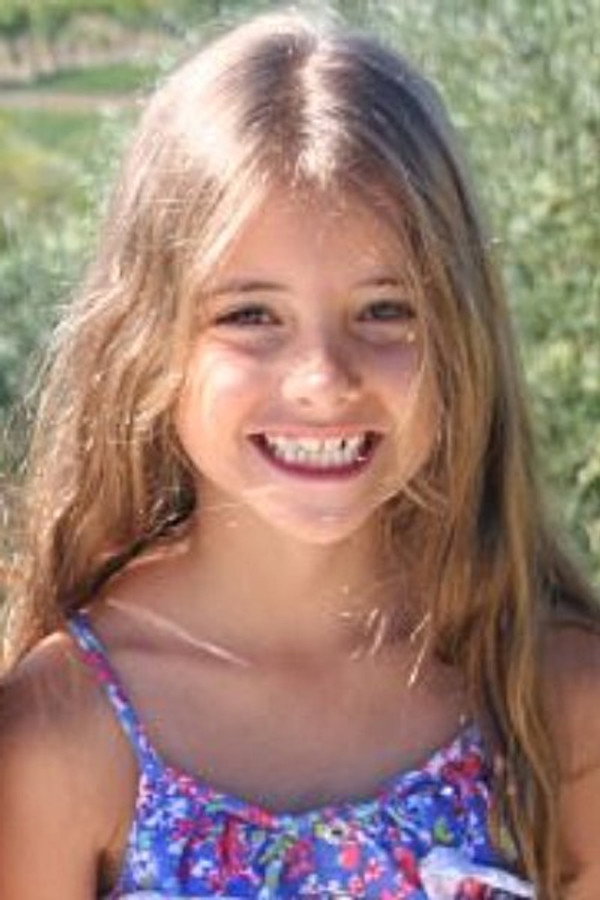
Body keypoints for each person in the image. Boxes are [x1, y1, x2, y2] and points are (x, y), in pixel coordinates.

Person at [1, 9, 599, 899]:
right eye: (251, 316)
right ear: (146, 341)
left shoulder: (556, 705)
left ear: (461, 339)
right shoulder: (59, 735)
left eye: (386, 310)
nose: (323, 379)